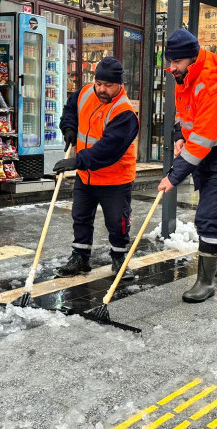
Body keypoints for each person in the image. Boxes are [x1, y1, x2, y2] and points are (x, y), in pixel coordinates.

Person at [157, 29, 217, 303]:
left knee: (209, 217)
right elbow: (184, 113)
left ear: (191, 59)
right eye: (170, 61)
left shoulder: (215, 86)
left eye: (176, 62)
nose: (171, 68)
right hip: (212, 151)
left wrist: (173, 176)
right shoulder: (186, 78)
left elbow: (201, 140)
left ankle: (205, 282)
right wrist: (179, 136)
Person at [52, 57, 140, 280]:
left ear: (120, 84)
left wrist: (76, 161)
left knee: (117, 222)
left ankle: (119, 258)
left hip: (115, 179)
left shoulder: (125, 113)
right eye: (98, 83)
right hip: (86, 177)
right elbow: (70, 109)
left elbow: (108, 150)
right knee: (80, 217)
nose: (101, 89)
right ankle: (80, 258)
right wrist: (69, 127)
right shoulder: (85, 93)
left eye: (108, 85)